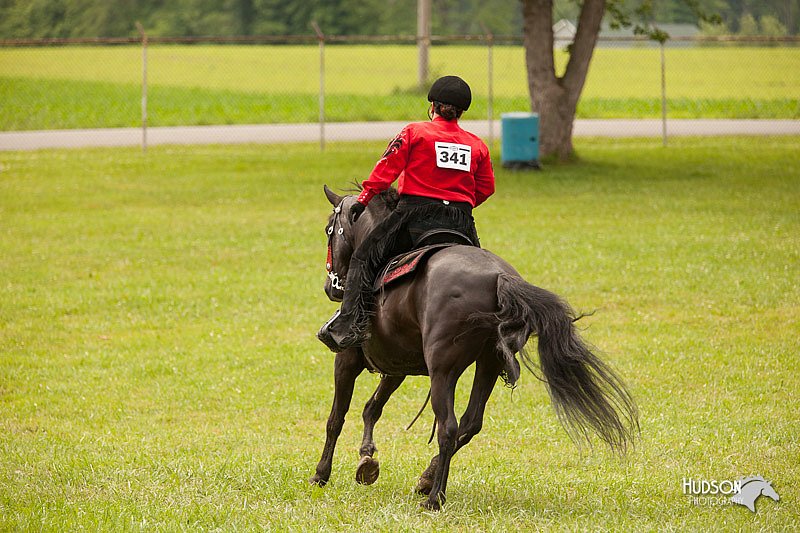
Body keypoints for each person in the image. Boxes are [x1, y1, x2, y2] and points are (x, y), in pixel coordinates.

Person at [318, 75, 496, 353]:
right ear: (461, 113)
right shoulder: (477, 145)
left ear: (433, 107)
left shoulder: (415, 132)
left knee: (363, 258)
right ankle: (496, 345)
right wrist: (459, 202)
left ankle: (348, 327)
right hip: (461, 224)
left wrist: (363, 199)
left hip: (413, 217)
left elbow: (385, 170)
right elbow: (486, 188)